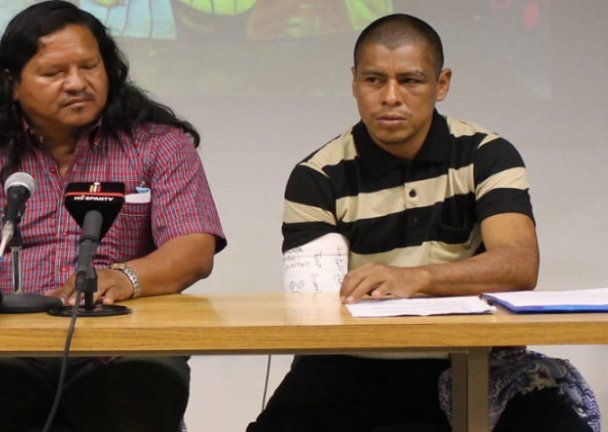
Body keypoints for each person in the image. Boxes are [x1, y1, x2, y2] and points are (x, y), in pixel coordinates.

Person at [248, 13, 599, 432]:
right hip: (351, 364)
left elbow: (519, 265)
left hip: (480, 361)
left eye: (411, 81)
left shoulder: (487, 155)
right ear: (354, 82)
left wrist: (415, 279)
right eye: (374, 80)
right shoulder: (318, 175)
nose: (391, 96)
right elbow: (316, 304)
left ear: (442, 84)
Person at [0, 1, 225, 432]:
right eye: (54, 74)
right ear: (11, 83)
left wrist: (124, 278)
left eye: (90, 67)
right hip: (4, 351)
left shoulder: (159, 145)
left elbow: (194, 249)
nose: (77, 83)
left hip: (126, 350)